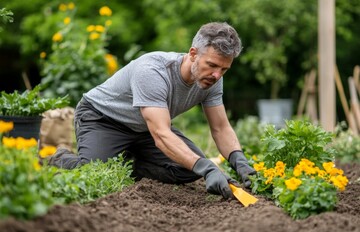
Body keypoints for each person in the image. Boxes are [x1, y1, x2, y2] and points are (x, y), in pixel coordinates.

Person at [49, 22, 256, 199]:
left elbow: (220, 128)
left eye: (224, 69)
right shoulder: (153, 71)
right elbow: (161, 134)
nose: (217, 75)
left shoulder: (213, 80)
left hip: (144, 128)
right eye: (212, 65)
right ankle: (60, 159)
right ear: (193, 54)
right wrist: (207, 167)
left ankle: (126, 160)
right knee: (95, 173)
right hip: (103, 118)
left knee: (188, 169)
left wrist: (240, 162)